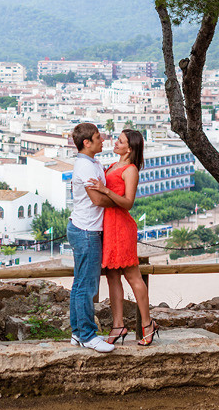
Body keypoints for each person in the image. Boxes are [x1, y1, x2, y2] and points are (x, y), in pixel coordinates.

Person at [90, 128, 157, 346]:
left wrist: (105, 190)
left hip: (121, 227)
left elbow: (129, 202)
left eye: (120, 141)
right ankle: (118, 325)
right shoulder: (113, 165)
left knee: (132, 276)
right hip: (109, 226)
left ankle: (148, 324)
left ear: (130, 148)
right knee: (112, 276)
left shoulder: (130, 170)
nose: (115, 143)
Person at [65, 122, 115, 352]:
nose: (102, 139)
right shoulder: (85, 167)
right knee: (87, 285)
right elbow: (96, 200)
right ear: (86, 143)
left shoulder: (93, 163)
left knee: (80, 284)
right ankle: (87, 334)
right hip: (86, 230)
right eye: (98, 137)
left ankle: (77, 332)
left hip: (83, 227)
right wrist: (118, 202)